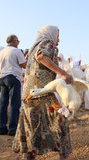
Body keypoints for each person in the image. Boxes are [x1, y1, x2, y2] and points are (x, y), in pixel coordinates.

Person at [12, 25, 73, 159]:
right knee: (59, 119)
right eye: (58, 35)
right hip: (42, 91)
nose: (58, 40)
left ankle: (27, 154)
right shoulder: (48, 43)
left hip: (29, 92)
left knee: (31, 123)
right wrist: (63, 74)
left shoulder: (34, 47)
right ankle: (63, 153)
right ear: (51, 34)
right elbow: (42, 57)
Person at [0, 35, 27, 136]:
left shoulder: (0, 53)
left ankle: (2, 128)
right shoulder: (16, 51)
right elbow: (24, 65)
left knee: (3, 104)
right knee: (14, 104)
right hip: (13, 77)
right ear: (14, 41)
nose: (18, 43)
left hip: (2, 78)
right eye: (18, 41)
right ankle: (13, 129)